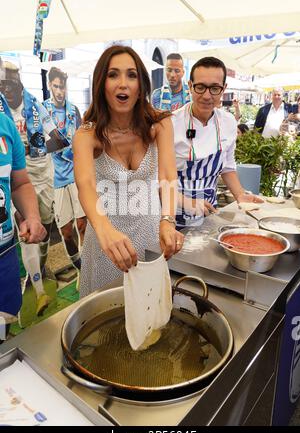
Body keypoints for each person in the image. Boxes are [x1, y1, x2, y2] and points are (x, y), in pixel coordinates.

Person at [73, 45, 183, 297]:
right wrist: (104, 229)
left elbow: (167, 176)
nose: (123, 83)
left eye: (131, 75)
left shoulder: (160, 123)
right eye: (113, 75)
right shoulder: (86, 135)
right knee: (103, 321)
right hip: (105, 241)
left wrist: (167, 220)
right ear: (101, 83)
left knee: (149, 310)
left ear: (141, 85)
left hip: (149, 231)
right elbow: (86, 185)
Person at [0, 60, 69, 315]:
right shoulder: (4, 113)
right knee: (25, 236)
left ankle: (36, 274)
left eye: (10, 84)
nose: (5, 90)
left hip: (40, 180)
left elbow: (61, 140)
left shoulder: (36, 107)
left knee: (41, 232)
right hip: (10, 185)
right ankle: (38, 289)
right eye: (2, 84)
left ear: (19, 84)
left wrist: (31, 148)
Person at [172, 56, 263, 228]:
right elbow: (155, 179)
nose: (207, 96)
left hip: (208, 212)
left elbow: (228, 167)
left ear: (223, 89)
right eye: (200, 87)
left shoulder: (228, 122)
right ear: (190, 86)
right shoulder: (170, 123)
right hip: (172, 214)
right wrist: (186, 202)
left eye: (214, 88)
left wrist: (240, 196)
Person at [0, 113, 46, 341]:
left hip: (5, 253)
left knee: (2, 324)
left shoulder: (5, 125)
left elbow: (19, 183)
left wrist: (32, 216)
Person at [43, 67, 86, 271]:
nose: (60, 91)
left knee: (83, 225)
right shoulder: (41, 111)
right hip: (55, 179)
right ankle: (79, 267)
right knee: (66, 233)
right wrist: (56, 144)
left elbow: (82, 139)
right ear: (50, 86)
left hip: (76, 175)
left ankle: (87, 269)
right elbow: (37, 146)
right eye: (56, 86)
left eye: (63, 87)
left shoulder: (73, 110)